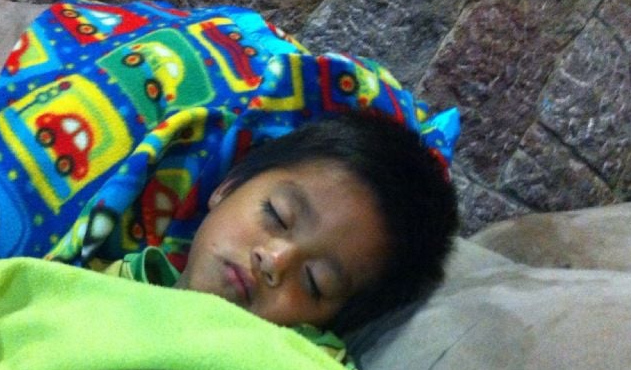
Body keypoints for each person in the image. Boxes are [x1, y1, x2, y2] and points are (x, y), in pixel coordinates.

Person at [100, 112, 459, 347]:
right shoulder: (103, 280)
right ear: (228, 186)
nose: (274, 260)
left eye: (315, 282)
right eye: (278, 215)